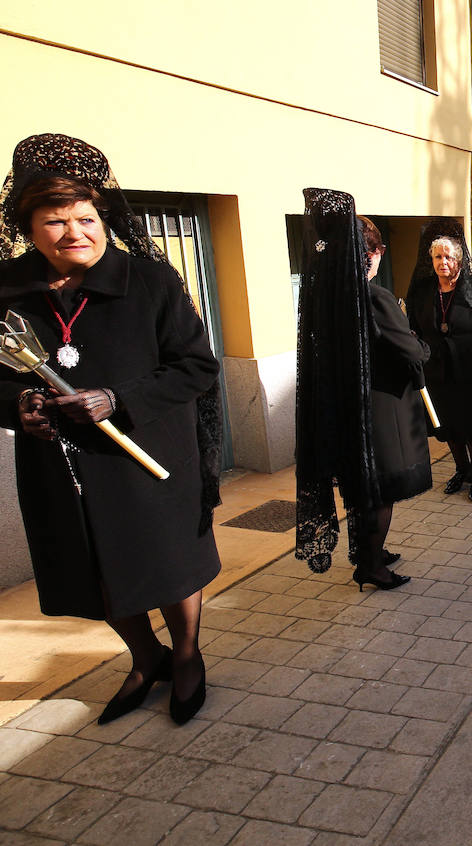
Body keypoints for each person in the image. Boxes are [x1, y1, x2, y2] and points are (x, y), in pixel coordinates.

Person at [0, 133, 222, 725]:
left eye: (85, 217)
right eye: (55, 221)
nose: (75, 232)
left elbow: (198, 366)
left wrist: (115, 398)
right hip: (62, 467)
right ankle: (144, 657)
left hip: (146, 456)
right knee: (94, 569)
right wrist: (18, 402)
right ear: (28, 227)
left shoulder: (150, 282)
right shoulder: (7, 289)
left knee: (169, 563)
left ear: (103, 216)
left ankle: (187, 656)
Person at [296, 190, 428, 594]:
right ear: (372, 254)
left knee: (361, 486)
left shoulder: (325, 297)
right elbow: (410, 351)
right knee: (380, 489)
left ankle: (372, 553)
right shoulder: (374, 296)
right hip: (382, 406)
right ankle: (371, 565)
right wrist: (424, 346)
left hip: (345, 406)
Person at [405, 219, 472, 504]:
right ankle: (461, 469)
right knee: (448, 424)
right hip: (437, 370)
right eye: (438, 257)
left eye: (449, 257)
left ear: (459, 259)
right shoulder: (423, 290)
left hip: (470, 369)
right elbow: (413, 325)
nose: (443, 262)